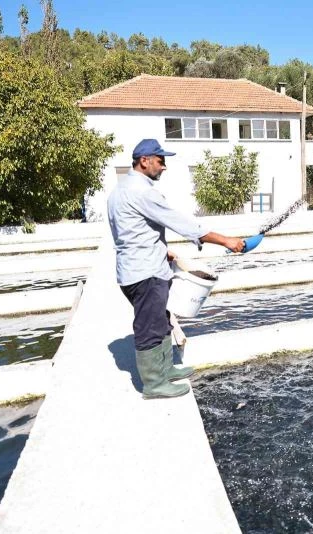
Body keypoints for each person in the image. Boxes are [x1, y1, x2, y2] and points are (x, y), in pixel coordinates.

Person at [107, 139, 245, 399]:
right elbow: (182, 224)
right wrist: (226, 240)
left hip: (137, 267)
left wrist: (162, 248)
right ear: (144, 161)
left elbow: (128, 231)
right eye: (160, 161)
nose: (164, 167)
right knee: (149, 327)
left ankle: (166, 369)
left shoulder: (120, 190)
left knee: (161, 320)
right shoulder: (142, 191)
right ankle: (154, 384)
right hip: (145, 273)